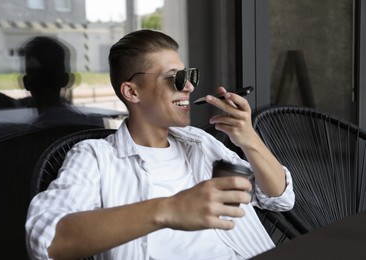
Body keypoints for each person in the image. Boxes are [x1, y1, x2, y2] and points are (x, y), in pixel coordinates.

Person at [26, 29, 295, 260]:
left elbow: (279, 198)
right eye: (175, 78)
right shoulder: (96, 157)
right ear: (132, 92)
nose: (189, 86)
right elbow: (46, 241)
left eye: (189, 75)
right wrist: (168, 209)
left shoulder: (200, 143)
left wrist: (249, 138)